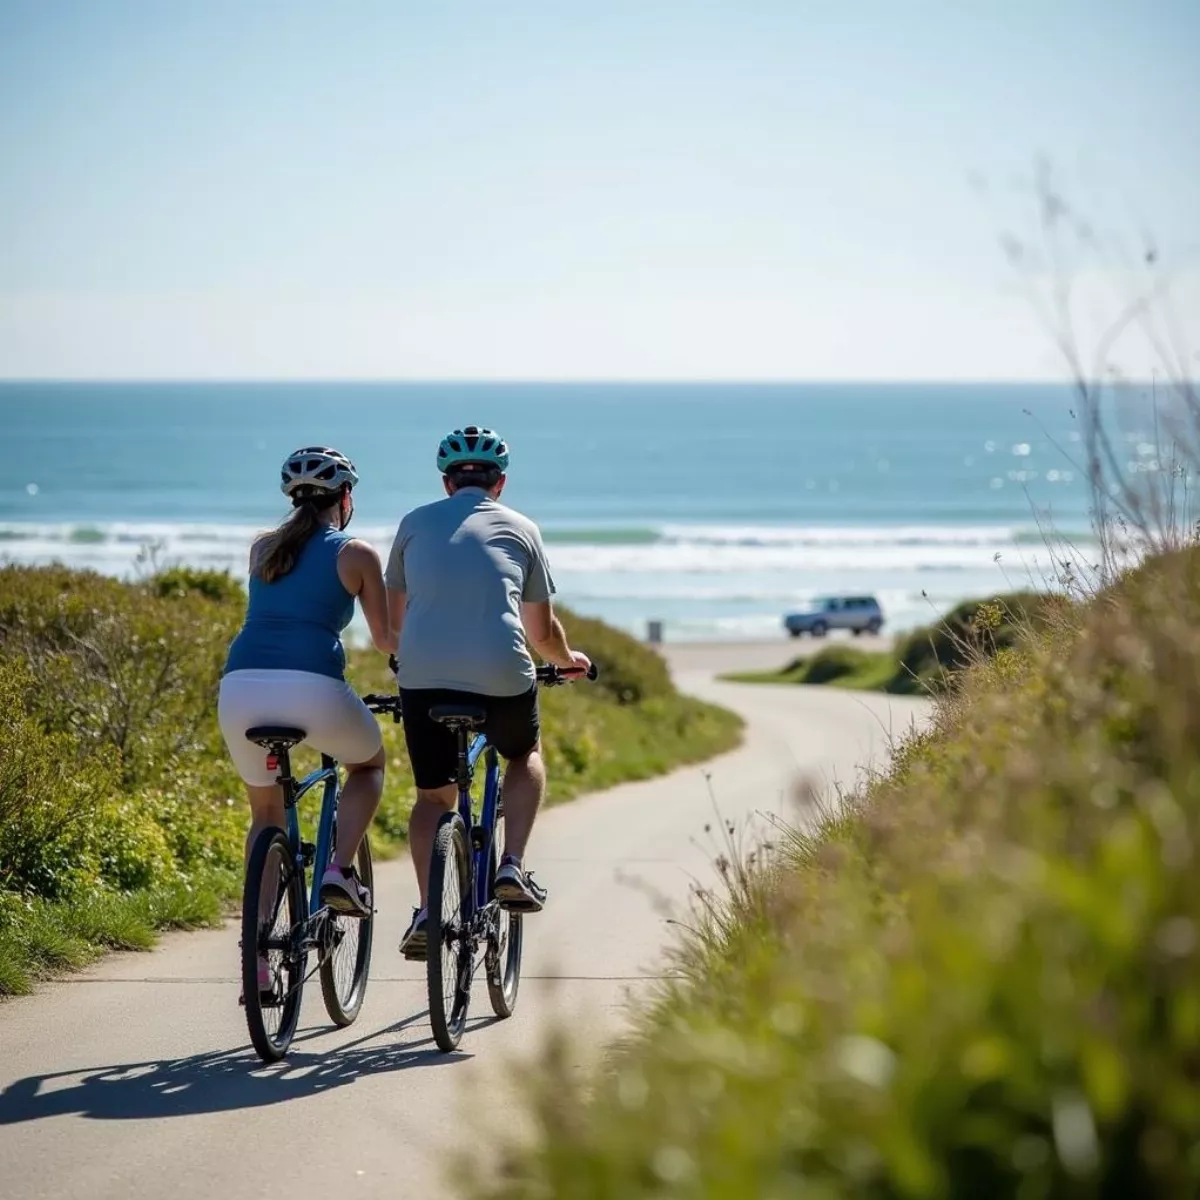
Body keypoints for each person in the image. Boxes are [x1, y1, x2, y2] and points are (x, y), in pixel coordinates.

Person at [385, 425, 590, 959]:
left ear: (447, 482)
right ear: (499, 482)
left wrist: (407, 659)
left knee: (433, 796)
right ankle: (512, 867)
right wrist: (567, 663)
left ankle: (430, 909)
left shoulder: (412, 524)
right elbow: (541, 632)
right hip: (502, 673)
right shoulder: (522, 528)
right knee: (523, 755)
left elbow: (394, 625)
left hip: (423, 677)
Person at [219, 446, 393, 991]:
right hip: (314, 688)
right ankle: (339, 870)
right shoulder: (357, 553)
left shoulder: (263, 548)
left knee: (267, 814)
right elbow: (388, 639)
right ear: (345, 498)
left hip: (240, 688)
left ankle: (259, 961)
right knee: (369, 766)